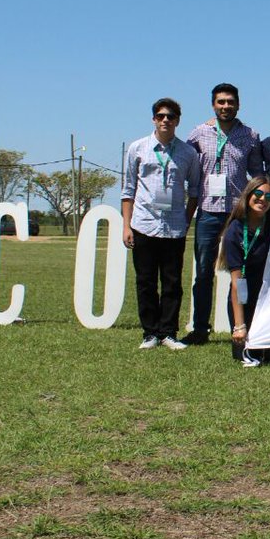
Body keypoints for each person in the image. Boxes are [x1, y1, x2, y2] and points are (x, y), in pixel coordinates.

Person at [182, 83, 265, 346]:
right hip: (208, 211)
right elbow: (188, 170)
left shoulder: (250, 135)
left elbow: (257, 175)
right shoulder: (199, 133)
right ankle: (200, 329)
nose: (226, 106)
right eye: (221, 102)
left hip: (238, 214)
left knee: (240, 272)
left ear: (238, 104)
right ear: (213, 105)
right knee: (203, 272)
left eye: (230, 102)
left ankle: (240, 327)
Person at [121, 98, 202, 351]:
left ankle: (168, 333)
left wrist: (186, 219)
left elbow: (195, 190)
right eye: (160, 116)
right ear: (153, 119)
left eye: (171, 116)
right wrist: (126, 226)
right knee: (145, 281)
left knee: (172, 282)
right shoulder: (137, 148)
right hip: (143, 224)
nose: (165, 120)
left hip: (174, 227)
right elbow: (128, 190)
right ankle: (150, 333)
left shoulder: (188, 153)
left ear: (178, 120)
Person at [220, 174, 270, 367]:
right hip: (244, 298)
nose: (263, 199)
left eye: (269, 196)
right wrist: (239, 326)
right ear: (248, 194)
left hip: (268, 299)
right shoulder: (235, 230)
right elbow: (236, 283)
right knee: (246, 355)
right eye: (258, 194)